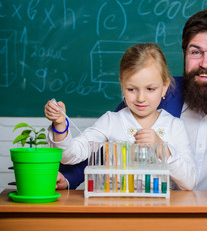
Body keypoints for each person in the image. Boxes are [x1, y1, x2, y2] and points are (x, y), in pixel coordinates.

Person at [55, 9, 207, 191]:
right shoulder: (152, 91)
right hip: (158, 208)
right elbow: (103, 144)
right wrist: (69, 177)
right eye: (195, 52)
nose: (205, 63)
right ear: (184, 55)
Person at [44, 43, 197, 190]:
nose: (141, 98)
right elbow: (70, 156)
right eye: (132, 89)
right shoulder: (111, 121)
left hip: (162, 212)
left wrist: (162, 148)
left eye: (150, 88)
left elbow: (189, 182)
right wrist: (60, 125)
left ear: (164, 87)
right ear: (122, 85)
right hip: (117, 210)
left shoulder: (174, 126)